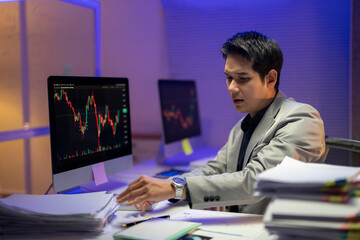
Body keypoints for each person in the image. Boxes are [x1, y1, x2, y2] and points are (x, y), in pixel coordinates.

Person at [116, 31, 326, 214]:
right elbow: (214, 169)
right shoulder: (243, 125)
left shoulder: (301, 118)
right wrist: (171, 185)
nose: (232, 88)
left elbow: (255, 182)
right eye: (228, 78)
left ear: (270, 79)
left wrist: (176, 189)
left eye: (242, 79)